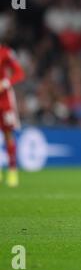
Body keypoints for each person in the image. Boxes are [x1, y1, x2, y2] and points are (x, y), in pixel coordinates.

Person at [0, 45, 25, 187]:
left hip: (5, 101)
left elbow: (19, 73)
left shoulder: (5, 52)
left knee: (8, 134)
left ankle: (12, 170)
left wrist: (5, 83)